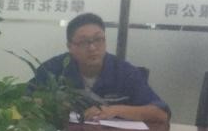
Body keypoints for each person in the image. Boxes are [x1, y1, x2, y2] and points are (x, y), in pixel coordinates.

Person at [31, 12, 170, 123]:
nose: (92, 47)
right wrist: (52, 104)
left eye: (98, 39)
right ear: (70, 47)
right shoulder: (52, 70)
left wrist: (115, 110)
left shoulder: (124, 72)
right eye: (84, 42)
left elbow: (161, 113)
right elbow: (25, 103)